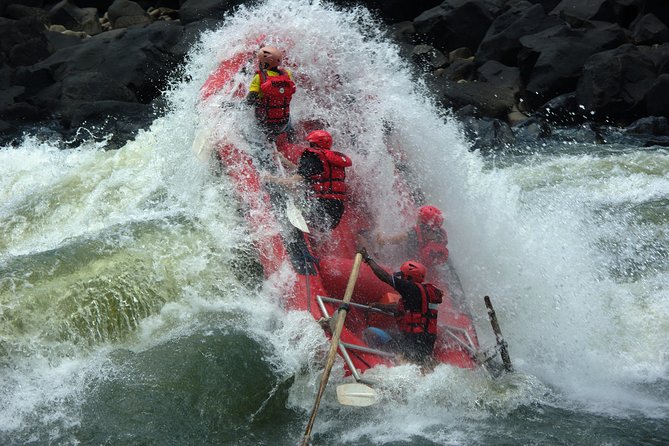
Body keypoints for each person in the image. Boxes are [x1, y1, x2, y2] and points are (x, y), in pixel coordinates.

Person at [358, 247, 443, 365]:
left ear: (409, 278)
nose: (401, 278)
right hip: (425, 344)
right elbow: (400, 310)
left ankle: (376, 362)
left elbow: (385, 277)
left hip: (412, 342)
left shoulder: (410, 288)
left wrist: (368, 258)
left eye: (403, 276)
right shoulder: (424, 293)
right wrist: (378, 306)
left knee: (369, 332)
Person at [266, 130, 352, 233]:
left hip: (319, 212)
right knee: (306, 190)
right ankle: (320, 237)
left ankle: (306, 229)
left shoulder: (313, 156)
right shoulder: (334, 161)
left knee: (285, 191)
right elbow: (308, 173)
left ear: (314, 144)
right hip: (336, 215)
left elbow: (291, 183)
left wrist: (270, 178)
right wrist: (283, 160)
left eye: (311, 143)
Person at [246, 46, 296, 141]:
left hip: (265, 124)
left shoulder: (259, 78)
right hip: (283, 122)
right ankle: (291, 138)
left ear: (264, 64)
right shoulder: (287, 74)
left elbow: (249, 101)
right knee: (287, 116)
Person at [376, 205, 449, 268]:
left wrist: (378, 226)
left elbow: (382, 241)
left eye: (419, 217)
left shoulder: (411, 235)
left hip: (413, 265)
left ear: (420, 221)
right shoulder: (441, 234)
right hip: (428, 265)